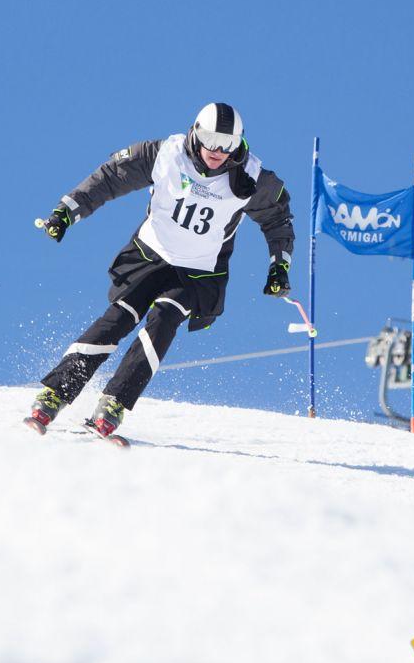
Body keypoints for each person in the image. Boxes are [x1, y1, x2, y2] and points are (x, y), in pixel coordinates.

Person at [26, 102, 295, 437]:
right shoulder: (166, 155)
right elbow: (110, 177)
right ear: (195, 133)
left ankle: (114, 403)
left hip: (198, 273)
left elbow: (278, 219)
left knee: (165, 318)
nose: (217, 150)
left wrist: (279, 266)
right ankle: (55, 393)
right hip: (149, 257)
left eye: (227, 143)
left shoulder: (252, 177)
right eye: (210, 140)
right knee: (120, 317)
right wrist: (67, 211)